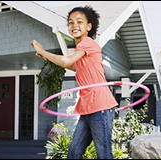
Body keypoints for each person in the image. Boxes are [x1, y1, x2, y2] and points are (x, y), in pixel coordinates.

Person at [30, 6, 119, 159]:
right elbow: (73, 66)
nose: (74, 25)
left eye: (79, 22)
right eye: (70, 23)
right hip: (87, 109)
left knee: (104, 155)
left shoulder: (88, 43)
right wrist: (45, 56)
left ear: (89, 26)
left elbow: (65, 62)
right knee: (74, 152)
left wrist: (43, 50)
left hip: (101, 107)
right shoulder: (82, 50)